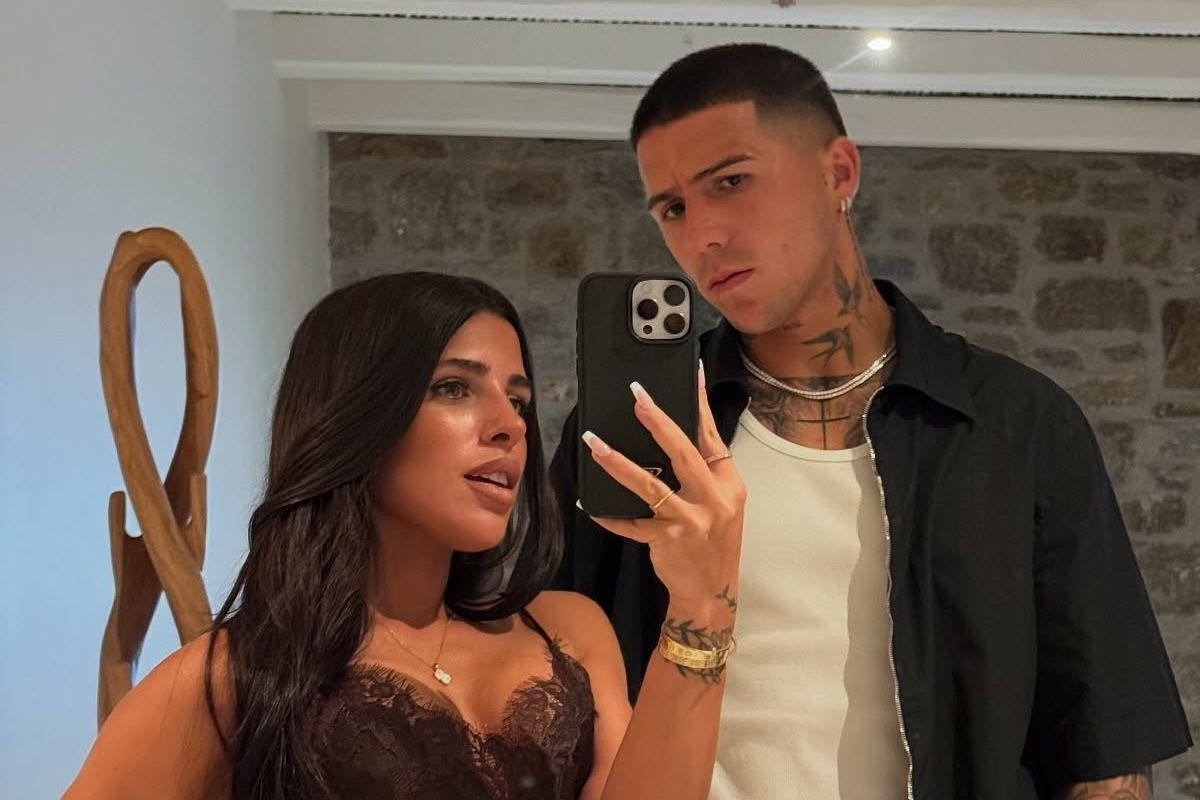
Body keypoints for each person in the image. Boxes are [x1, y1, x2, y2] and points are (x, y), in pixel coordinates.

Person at [550, 44, 1192, 799]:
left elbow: (1103, 741)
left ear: (838, 172)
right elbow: (559, 698)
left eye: (731, 181)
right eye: (673, 208)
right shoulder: (636, 434)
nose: (703, 236)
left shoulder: (1017, 425)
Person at [65, 271, 746, 800]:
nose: (510, 425)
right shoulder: (225, 680)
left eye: (518, 400)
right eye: (454, 389)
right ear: (353, 414)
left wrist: (702, 603)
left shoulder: (572, 632)